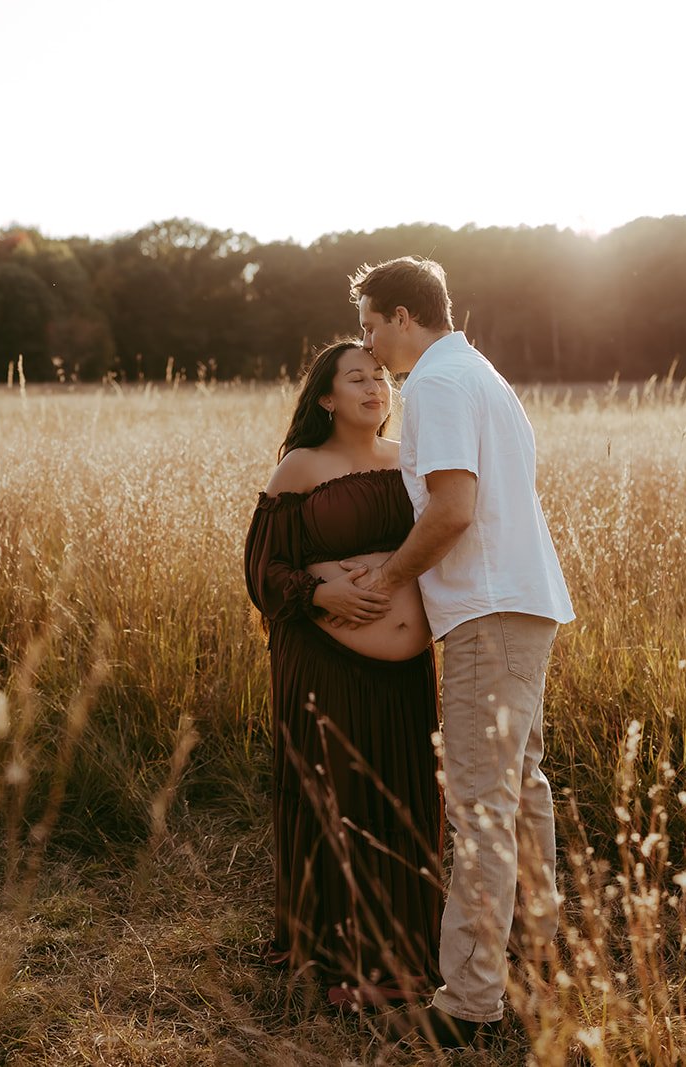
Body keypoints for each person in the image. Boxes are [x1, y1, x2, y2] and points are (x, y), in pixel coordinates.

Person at [347, 257, 575, 1046]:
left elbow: (452, 509)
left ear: (405, 316)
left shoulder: (438, 385)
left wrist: (387, 577)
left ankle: (469, 1001)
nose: (369, 346)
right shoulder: (484, 374)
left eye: (372, 324)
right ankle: (537, 961)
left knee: (482, 803)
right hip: (525, 602)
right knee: (522, 789)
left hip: (487, 609)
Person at [243, 339, 444, 1006]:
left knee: (401, 804)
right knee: (341, 800)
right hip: (323, 666)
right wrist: (319, 594)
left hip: (405, 673)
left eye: (382, 376)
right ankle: (340, 956)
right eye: (357, 377)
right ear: (326, 397)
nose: (376, 386)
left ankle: (406, 951)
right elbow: (261, 568)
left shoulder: (408, 462)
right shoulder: (301, 467)